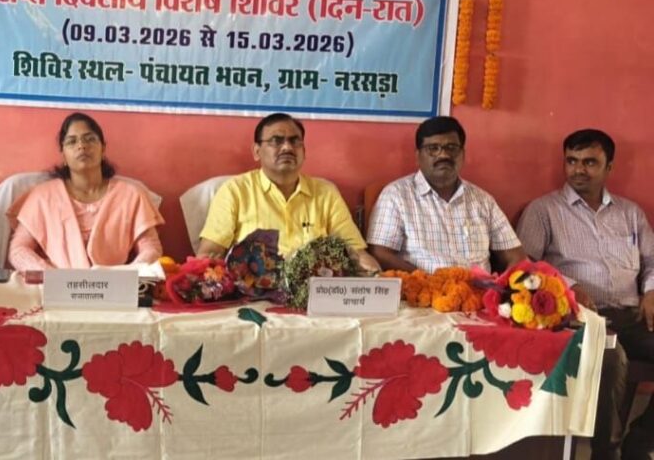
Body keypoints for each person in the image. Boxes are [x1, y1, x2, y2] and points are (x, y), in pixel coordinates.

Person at [517, 129, 653, 460]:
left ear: (609, 167)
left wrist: (651, 292)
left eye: (590, 162)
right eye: (572, 161)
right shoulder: (543, 210)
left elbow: (651, 262)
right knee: (611, 360)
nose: (579, 169)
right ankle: (606, 453)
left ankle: (640, 442)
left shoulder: (630, 213)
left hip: (632, 314)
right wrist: (567, 286)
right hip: (579, 317)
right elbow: (524, 267)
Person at [196, 113, 378, 271]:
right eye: (276, 140)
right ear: (257, 151)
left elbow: (355, 252)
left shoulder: (325, 193)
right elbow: (209, 254)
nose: (287, 147)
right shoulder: (235, 191)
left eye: (295, 141)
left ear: (304, 151)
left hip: (314, 292)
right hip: (251, 292)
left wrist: (375, 277)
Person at [367, 115, 526, 273]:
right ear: (418, 156)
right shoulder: (396, 196)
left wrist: (503, 285)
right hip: (421, 287)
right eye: (433, 148)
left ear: (462, 154)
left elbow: (516, 255)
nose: (443, 155)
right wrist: (426, 280)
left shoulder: (483, 201)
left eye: (451, 148)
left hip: (478, 287)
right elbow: (380, 253)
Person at [7, 112, 163, 271]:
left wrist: (126, 275)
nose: (81, 146)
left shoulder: (131, 195)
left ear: (103, 149)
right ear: (63, 155)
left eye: (90, 139)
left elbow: (151, 248)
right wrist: (51, 276)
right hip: (57, 282)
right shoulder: (43, 197)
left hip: (114, 283)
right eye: (71, 141)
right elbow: (19, 250)